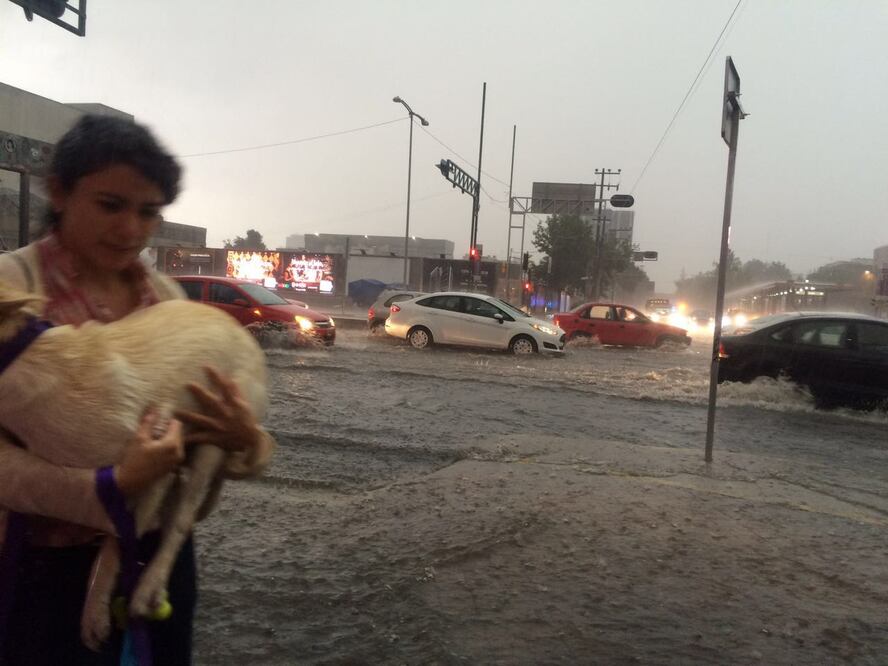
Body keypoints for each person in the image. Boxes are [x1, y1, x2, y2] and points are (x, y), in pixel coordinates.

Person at [0, 114, 274, 666]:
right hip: (37, 571)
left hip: (155, 563)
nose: (131, 229)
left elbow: (210, 446)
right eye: (110, 205)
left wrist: (248, 442)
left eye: (149, 212)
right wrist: (111, 485)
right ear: (59, 192)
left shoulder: (167, 297)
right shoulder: (14, 289)